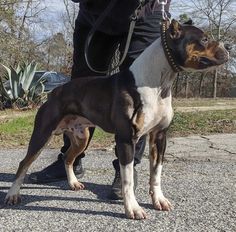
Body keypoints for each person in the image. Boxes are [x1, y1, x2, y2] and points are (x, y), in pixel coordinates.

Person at [29, 0, 171, 200]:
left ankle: (127, 169)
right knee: (80, 89)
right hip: (95, 12)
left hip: (146, 13)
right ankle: (71, 160)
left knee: (137, 94)